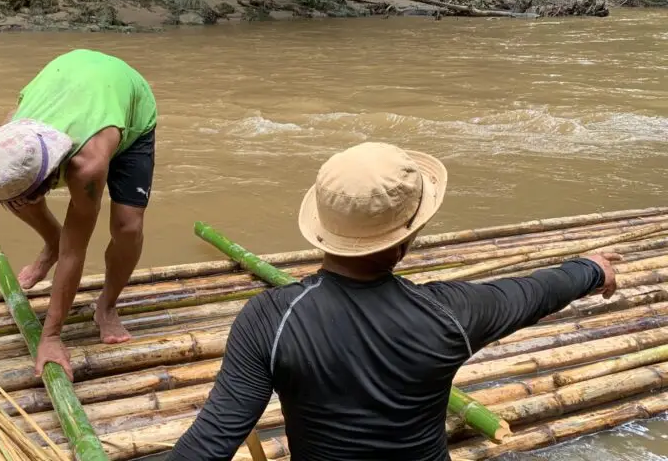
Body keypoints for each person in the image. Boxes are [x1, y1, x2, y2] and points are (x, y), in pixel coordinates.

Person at [167, 142, 619, 461]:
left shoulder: (269, 319)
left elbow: (211, 443)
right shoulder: (452, 313)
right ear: (408, 239)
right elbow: (536, 291)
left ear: (324, 229)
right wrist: (592, 269)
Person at [0, 48, 158, 397]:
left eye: (31, 194)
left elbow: (75, 251)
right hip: (67, 78)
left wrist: (50, 336)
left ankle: (107, 305)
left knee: (127, 226)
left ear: (53, 178)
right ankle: (49, 240)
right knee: (12, 195)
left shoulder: (87, 164)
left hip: (126, 104)